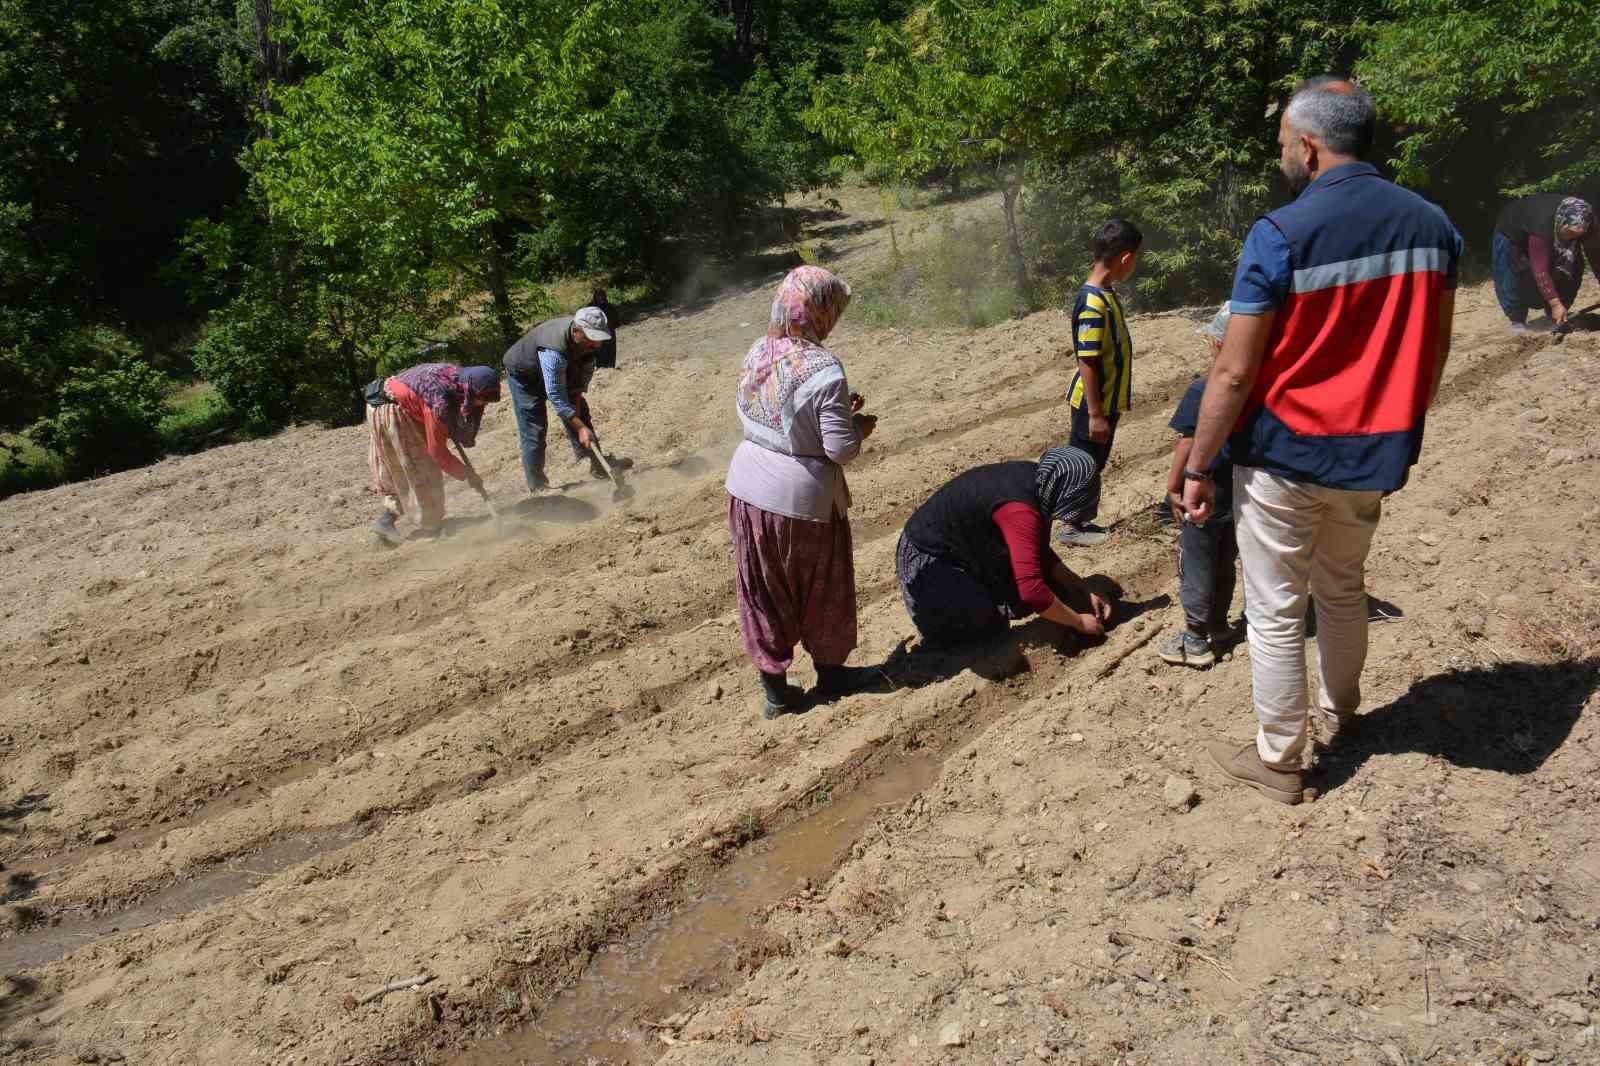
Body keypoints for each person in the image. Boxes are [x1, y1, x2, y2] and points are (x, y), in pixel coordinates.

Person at [1181, 77, 1461, 805]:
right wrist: (1401, 423)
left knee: (1276, 609)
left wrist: (1199, 464)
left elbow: (1235, 372)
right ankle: (1344, 711)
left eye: (1282, 144)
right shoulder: (1434, 226)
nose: (1283, 156)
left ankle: (1281, 763)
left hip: (1287, 456)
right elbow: (1432, 353)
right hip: (1374, 454)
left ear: (1308, 146)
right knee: (1343, 588)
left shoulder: (1279, 233)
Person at [726, 266, 878, 719]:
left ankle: (775, 692)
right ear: (820, 310)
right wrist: (857, 428)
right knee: (821, 588)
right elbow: (840, 450)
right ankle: (832, 676)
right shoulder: (824, 368)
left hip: (746, 489)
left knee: (762, 589)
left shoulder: (757, 349)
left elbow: (765, 413)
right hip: (801, 501)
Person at [897, 447, 1114, 646]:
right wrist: (1078, 622)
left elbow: (1037, 550)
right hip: (928, 559)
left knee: (1051, 586)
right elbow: (1032, 592)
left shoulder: (1042, 481)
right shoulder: (1020, 511)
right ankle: (941, 628)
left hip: (964, 544)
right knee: (986, 628)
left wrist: (1082, 588)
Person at [1159, 305, 1239, 669]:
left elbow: (1188, 441)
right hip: (1238, 491)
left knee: (1196, 561)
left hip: (1205, 491)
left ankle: (1193, 638)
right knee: (1225, 561)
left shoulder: (1203, 389)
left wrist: (1175, 486)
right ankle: (1220, 627)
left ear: (1219, 342)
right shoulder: (1257, 387)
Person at [1059, 218, 1143, 546]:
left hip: (1106, 402)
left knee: (1094, 462)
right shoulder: (1094, 303)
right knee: (1084, 463)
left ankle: (1079, 520)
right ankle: (1071, 525)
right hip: (1094, 404)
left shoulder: (1104, 293)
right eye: (1136, 258)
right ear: (1125, 258)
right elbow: (1088, 360)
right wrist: (1095, 413)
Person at [365, 362, 502, 545]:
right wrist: (467, 475)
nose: (485, 403)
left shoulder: (455, 378)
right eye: (484, 398)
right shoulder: (440, 400)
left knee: (401, 469)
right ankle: (429, 529)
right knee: (422, 469)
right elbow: (437, 452)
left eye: (491, 398)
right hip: (393, 411)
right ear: (470, 391)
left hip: (383, 404)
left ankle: (386, 521)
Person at [502, 307, 626, 492]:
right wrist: (580, 428)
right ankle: (538, 487)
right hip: (525, 375)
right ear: (576, 332)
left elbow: (577, 388)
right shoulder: (554, 353)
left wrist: (578, 418)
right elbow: (557, 398)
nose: (597, 345)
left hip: (560, 366)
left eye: (599, 339)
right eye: (592, 340)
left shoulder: (588, 344)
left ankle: (598, 466)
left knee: (580, 414)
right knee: (534, 429)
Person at [1491, 194, 1599, 334]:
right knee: (1511, 272)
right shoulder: (1542, 224)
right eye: (1570, 233)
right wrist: (1554, 303)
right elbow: (1540, 270)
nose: (1573, 238)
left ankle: (1556, 317)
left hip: (1550, 230)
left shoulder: (1589, 223)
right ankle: (1517, 320)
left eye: (1578, 235)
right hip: (1512, 231)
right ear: (1561, 222)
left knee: (1574, 266)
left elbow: (1596, 258)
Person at [590, 287, 620, 369]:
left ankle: (610, 368)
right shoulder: (590, 308)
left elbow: (617, 322)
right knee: (597, 354)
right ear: (595, 297)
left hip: (609, 334)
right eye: (598, 295)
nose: (600, 297)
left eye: (602, 295)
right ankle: (598, 368)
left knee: (610, 353)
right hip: (595, 335)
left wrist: (610, 324)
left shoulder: (610, 308)